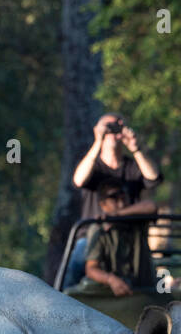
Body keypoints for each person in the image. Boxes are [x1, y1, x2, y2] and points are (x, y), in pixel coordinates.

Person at [67, 113, 163, 284]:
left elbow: (153, 178)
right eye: (108, 127)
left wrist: (135, 148)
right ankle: (62, 303)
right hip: (92, 236)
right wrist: (98, 141)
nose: (113, 131)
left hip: (128, 238)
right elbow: (78, 180)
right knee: (80, 253)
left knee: (145, 264)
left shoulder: (132, 166)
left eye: (118, 126)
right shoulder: (93, 166)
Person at [83, 183, 156, 297]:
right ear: (103, 205)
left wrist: (117, 214)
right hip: (113, 297)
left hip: (145, 293)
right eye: (114, 199)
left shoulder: (138, 221)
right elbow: (91, 268)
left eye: (123, 197)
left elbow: (151, 206)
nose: (121, 203)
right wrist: (111, 280)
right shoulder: (99, 229)